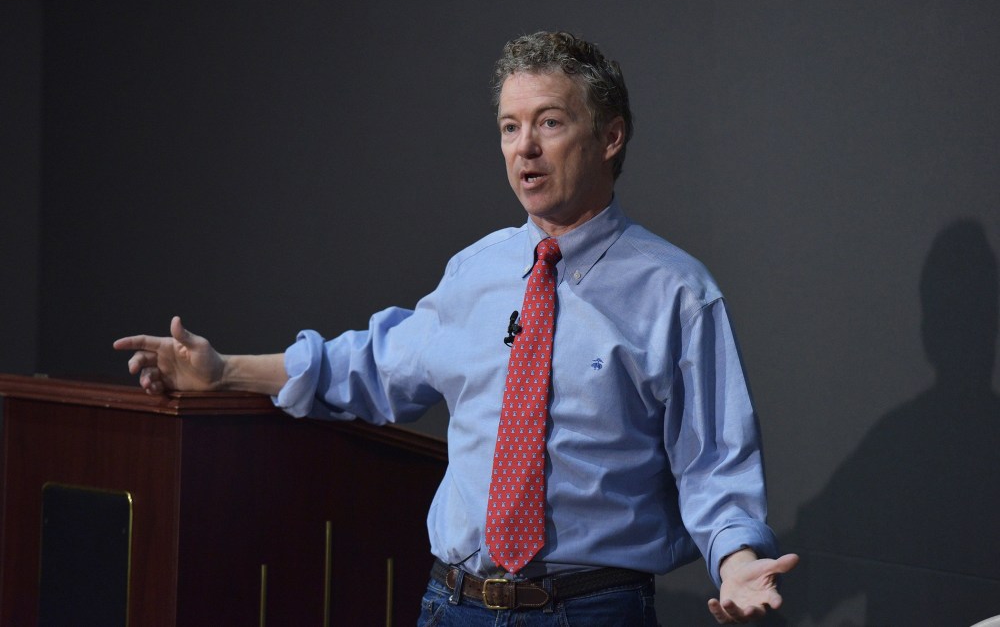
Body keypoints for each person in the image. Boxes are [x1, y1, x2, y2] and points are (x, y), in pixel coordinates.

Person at [114, 31, 797, 625]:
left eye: (550, 123)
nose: (524, 148)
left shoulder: (676, 291)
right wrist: (224, 370)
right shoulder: (475, 272)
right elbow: (369, 368)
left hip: (592, 611)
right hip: (454, 605)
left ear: (610, 136)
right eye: (508, 127)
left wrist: (736, 563)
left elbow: (714, 461)